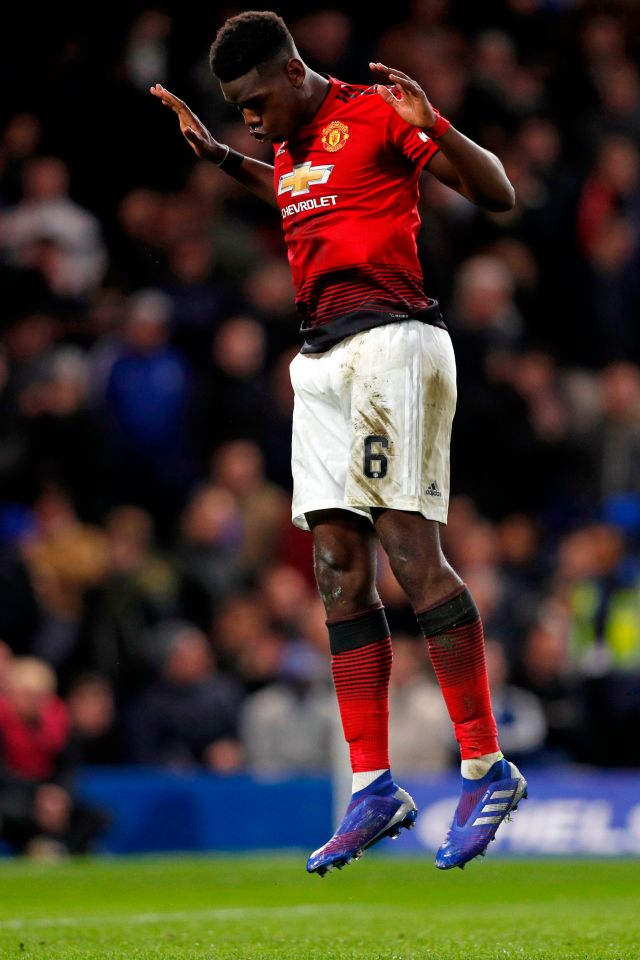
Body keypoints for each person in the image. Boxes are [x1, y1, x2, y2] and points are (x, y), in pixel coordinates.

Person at [151, 10, 527, 874]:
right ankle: (374, 787)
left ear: (291, 74)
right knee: (334, 569)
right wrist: (221, 159)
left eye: (252, 102)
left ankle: (485, 764)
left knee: (408, 551)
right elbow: (294, 187)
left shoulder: (378, 112)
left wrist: (437, 125)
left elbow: (500, 191)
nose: (248, 117)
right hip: (319, 362)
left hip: (394, 340)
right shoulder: (283, 148)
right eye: (233, 108)